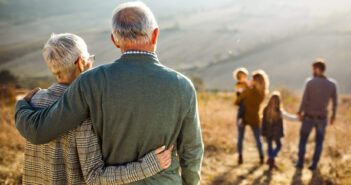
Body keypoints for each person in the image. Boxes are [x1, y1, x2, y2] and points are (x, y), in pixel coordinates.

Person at [15, 2, 203, 185]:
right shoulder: (182, 86)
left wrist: (22, 105)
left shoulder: (90, 81)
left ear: (114, 40)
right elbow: (192, 151)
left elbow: (41, 131)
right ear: (155, 35)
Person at [22, 33, 172, 185]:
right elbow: (94, 177)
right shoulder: (86, 109)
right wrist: (148, 166)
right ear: (81, 63)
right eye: (90, 59)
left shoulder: (33, 100)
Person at [295, 59, 338, 170]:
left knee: (303, 139)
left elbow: (304, 100)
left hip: (308, 117)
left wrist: (300, 112)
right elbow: (335, 102)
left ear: (318, 69)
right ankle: (314, 164)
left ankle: (300, 162)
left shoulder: (310, 82)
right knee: (319, 142)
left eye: (313, 68)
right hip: (322, 118)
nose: (313, 71)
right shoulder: (332, 84)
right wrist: (333, 116)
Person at [234, 70, 269, 165]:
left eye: (252, 79)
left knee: (240, 137)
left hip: (243, 116)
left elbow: (237, 101)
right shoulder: (263, 93)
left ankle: (240, 157)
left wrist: (246, 88)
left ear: (255, 80)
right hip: (255, 117)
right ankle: (261, 157)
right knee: (258, 139)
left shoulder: (248, 90)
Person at [261, 91, 298, 170]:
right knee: (279, 145)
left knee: (270, 146)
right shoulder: (280, 112)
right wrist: (298, 118)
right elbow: (289, 118)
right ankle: (272, 159)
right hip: (276, 133)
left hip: (268, 132)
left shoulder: (265, 110)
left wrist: (263, 132)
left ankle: (271, 159)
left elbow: (263, 122)